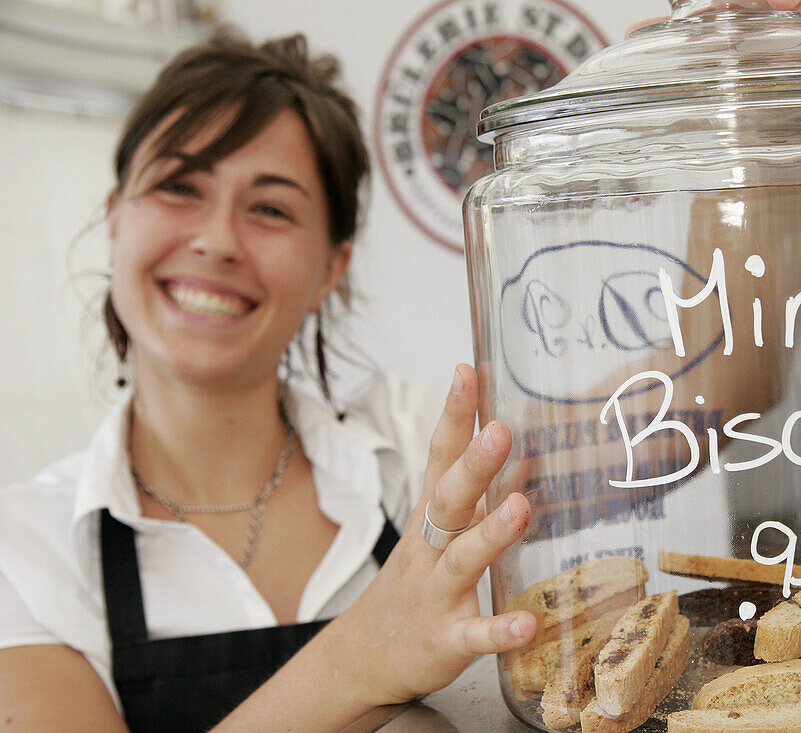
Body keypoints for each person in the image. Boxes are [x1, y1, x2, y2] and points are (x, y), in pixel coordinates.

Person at [0, 30, 537, 731]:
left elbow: (667, 406)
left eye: (271, 209)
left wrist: (721, 83)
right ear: (115, 217)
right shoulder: (27, 552)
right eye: (178, 186)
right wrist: (361, 658)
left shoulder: (418, 462)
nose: (218, 240)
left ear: (331, 269)